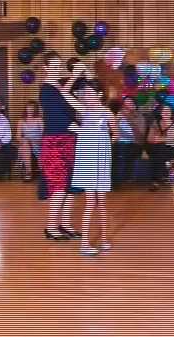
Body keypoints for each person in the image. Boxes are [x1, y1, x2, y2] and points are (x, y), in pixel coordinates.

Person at [60, 75, 117, 256]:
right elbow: (64, 93)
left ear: (100, 95)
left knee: (102, 202)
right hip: (86, 161)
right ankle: (84, 243)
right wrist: (77, 73)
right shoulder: (83, 111)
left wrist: (105, 142)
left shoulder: (107, 113)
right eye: (85, 93)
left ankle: (105, 238)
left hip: (101, 160)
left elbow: (114, 134)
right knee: (90, 202)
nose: (87, 96)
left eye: (91, 93)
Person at [39, 51, 82, 241]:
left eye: (59, 65)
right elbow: (58, 118)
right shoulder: (46, 89)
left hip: (70, 141)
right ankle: (50, 227)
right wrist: (82, 131)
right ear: (45, 68)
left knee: (72, 186)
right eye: (53, 66)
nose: (57, 69)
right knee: (59, 186)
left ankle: (65, 224)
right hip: (55, 142)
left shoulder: (62, 87)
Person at [144, 104, 174, 192]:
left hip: (171, 149)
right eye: (164, 111)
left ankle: (155, 181)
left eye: (168, 111)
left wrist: (158, 139)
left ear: (171, 112)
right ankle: (160, 177)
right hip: (155, 148)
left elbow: (172, 138)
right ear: (161, 112)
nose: (166, 112)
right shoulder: (155, 123)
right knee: (157, 150)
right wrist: (160, 139)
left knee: (156, 152)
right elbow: (149, 138)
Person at [112, 96, 147, 186]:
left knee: (124, 151)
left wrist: (129, 117)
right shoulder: (119, 115)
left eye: (130, 103)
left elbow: (141, 134)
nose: (127, 106)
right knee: (112, 150)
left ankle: (123, 178)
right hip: (118, 141)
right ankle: (113, 180)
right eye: (125, 104)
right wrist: (116, 119)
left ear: (135, 105)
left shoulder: (139, 116)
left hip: (134, 142)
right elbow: (111, 130)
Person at [16, 100, 43, 182]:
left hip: (37, 142)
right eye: (29, 107)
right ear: (26, 108)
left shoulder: (39, 119)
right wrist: (25, 141)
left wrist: (35, 141)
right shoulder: (21, 121)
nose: (30, 109)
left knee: (27, 143)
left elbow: (43, 134)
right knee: (25, 143)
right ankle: (29, 172)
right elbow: (18, 136)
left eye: (32, 108)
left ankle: (37, 171)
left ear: (35, 109)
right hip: (25, 144)